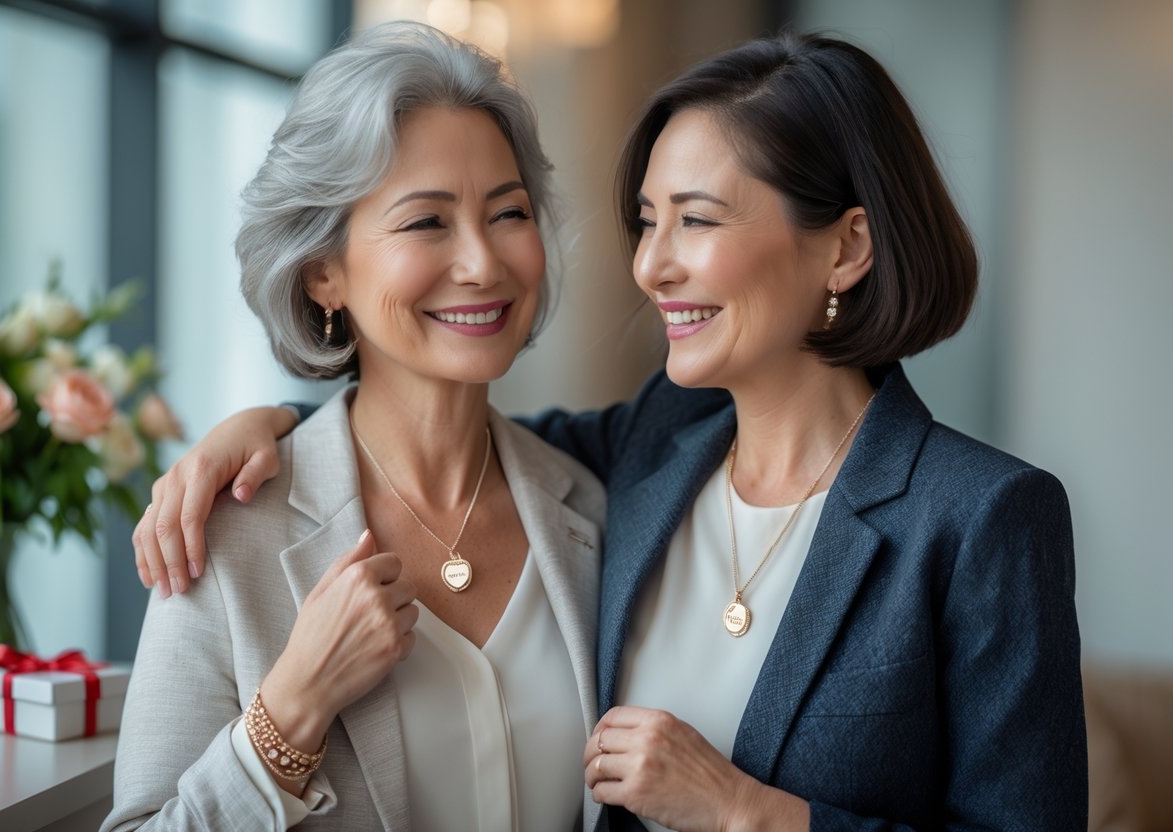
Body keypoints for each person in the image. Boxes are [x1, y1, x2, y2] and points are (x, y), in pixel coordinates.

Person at [135, 32, 1087, 831]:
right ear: (321, 274)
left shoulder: (981, 515)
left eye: (698, 219)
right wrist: (260, 433)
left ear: (845, 246)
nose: (652, 267)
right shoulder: (635, 464)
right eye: (645, 221)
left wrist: (748, 813)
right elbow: (406, 436)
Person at [102, 21, 606, 832]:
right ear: (323, 272)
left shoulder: (588, 505)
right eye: (425, 222)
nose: (483, 262)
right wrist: (290, 712)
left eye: (507, 212)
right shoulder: (225, 537)